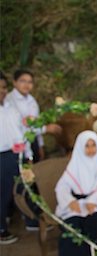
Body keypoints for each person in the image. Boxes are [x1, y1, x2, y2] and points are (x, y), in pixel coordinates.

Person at [4, 69, 61, 231]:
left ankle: (30, 214)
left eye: (29, 82)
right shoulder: (9, 102)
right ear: (14, 83)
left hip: (31, 143)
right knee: (21, 181)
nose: (26, 85)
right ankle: (28, 217)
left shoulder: (32, 101)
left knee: (31, 179)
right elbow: (23, 128)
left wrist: (40, 145)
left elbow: (34, 125)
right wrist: (46, 129)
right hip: (17, 145)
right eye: (22, 81)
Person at [0, 71, 32, 245]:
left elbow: (22, 133)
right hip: (2, 157)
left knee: (24, 187)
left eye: (4, 87)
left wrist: (28, 154)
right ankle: (1, 230)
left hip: (17, 154)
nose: (2, 91)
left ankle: (31, 219)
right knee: (3, 193)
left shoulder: (11, 109)